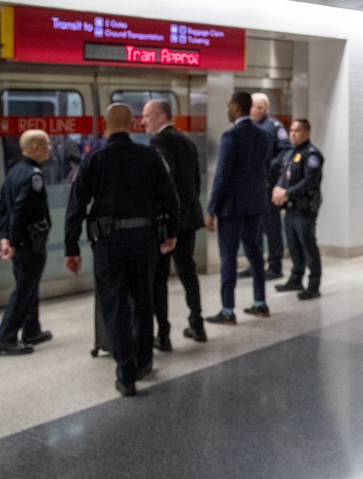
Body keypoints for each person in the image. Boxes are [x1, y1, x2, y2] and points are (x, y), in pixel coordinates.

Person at [65, 103, 179, 397]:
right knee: (143, 300)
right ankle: (144, 360)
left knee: (115, 306)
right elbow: (170, 198)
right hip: (144, 240)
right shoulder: (149, 156)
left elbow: (76, 206)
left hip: (108, 243)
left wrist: (71, 247)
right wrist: (170, 233)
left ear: (105, 123)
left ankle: (126, 373)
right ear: (133, 124)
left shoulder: (93, 160)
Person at [204, 91, 274, 324]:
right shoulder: (263, 135)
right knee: (254, 253)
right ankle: (260, 302)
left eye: (229, 105)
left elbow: (222, 175)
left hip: (232, 207)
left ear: (237, 107)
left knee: (229, 256)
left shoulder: (231, 136)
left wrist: (212, 208)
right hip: (256, 203)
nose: (227, 109)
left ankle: (227, 309)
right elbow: (265, 167)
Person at [142, 99, 207, 349]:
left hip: (167, 222)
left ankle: (164, 334)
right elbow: (195, 183)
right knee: (187, 271)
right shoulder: (188, 142)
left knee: (160, 277)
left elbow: (162, 183)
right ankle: (197, 323)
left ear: (161, 116)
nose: (143, 120)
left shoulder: (158, 143)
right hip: (189, 217)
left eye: (147, 115)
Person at [0, 129, 53, 355]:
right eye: (47, 143)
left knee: (30, 286)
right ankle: (5, 338)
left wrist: (5, 238)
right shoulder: (33, 176)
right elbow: (19, 212)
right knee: (24, 290)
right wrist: (14, 242)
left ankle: (31, 330)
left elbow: (1, 210)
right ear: (35, 148)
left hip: (20, 242)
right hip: (29, 243)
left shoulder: (15, 172)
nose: (51, 147)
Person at [273, 119, 324, 300]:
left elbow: (308, 181)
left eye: (297, 131)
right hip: (291, 208)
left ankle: (314, 283)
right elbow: (283, 176)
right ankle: (296, 278)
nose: (293, 134)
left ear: (307, 132)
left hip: (305, 208)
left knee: (307, 244)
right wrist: (278, 189)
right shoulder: (289, 154)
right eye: (291, 130)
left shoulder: (312, 155)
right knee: (293, 245)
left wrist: (287, 192)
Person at [244, 91, 293, 280]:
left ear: (261, 108)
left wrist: (268, 166)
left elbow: (286, 151)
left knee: (271, 227)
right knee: (253, 228)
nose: (248, 111)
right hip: (252, 186)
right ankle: (254, 263)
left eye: (252, 107)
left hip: (267, 185)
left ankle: (275, 266)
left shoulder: (273, 127)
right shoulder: (249, 127)